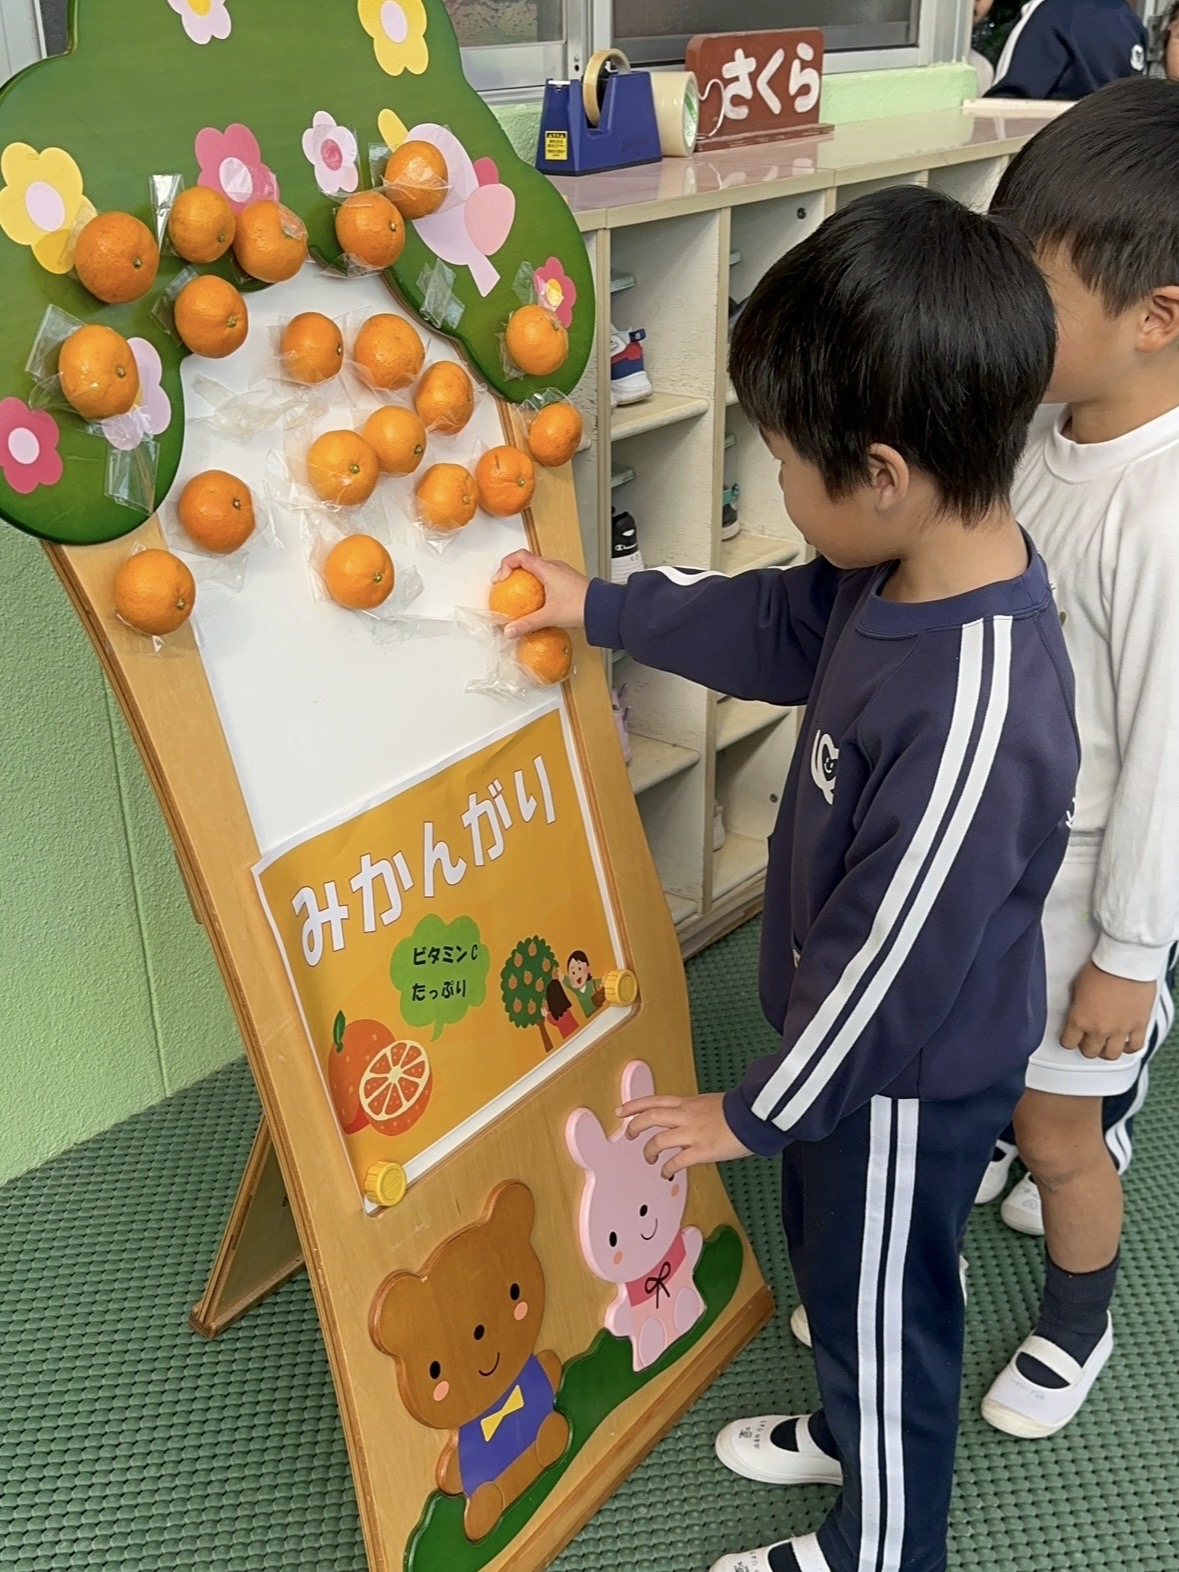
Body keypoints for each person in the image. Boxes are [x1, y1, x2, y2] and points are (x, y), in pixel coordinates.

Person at [494, 185, 1079, 1572]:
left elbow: (892, 961)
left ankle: (882, 1544)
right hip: (839, 1061)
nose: (777, 493)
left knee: (883, 1306)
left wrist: (752, 1110)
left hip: (898, 1082)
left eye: (781, 466)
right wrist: (605, 608)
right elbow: (770, 622)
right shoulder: (892, 570)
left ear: (879, 473)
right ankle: (850, 1428)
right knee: (836, 1267)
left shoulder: (975, 705)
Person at [970, 76, 1179, 1440]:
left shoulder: (1158, 518)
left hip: (1083, 893)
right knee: (983, 1077)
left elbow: (1167, 762)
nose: (999, 315)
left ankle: (1076, 1319)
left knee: (1058, 1132)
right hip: (997, 864)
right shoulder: (1044, 435)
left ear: (1154, 319)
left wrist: (1127, 956)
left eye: (1029, 294)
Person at [986, 0, 1146, 98]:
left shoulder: (1053, 11)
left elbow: (1006, 104)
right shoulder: (1131, 21)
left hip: (1059, 139)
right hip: (1105, 139)